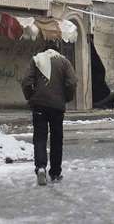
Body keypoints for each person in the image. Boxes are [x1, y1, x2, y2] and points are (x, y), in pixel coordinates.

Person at [21, 42, 77, 185]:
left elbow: (26, 81)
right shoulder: (64, 61)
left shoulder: (36, 59)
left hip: (39, 105)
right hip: (57, 107)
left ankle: (40, 167)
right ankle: (55, 173)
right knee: (56, 139)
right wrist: (66, 98)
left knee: (40, 137)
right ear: (57, 51)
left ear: (44, 50)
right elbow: (71, 83)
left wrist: (31, 97)